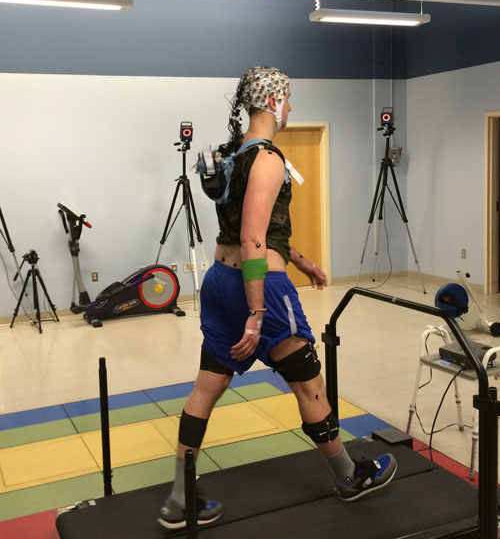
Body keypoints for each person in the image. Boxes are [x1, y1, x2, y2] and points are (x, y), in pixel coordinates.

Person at [157, 66, 397, 530]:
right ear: (273, 102)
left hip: (219, 282)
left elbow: (256, 230)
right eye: (288, 99)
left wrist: (302, 260)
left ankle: (178, 498)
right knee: (309, 382)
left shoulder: (232, 154)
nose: (291, 108)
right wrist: (257, 312)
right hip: (257, 287)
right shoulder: (266, 158)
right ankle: (349, 477)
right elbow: (253, 240)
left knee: (207, 386)